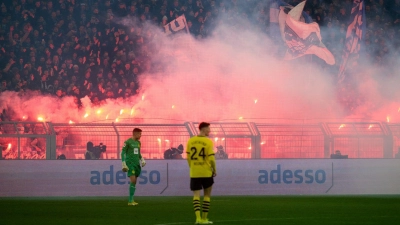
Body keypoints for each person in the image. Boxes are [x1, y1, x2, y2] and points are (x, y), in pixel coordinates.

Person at [186, 122, 217, 224]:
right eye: (208, 129)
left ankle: (197, 218)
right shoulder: (208, 142)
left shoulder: (191, 141)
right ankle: (204, 219)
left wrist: (192, 167)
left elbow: (188, 157)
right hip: (206, 172)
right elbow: (212, 159)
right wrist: (214, 169)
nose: (209, 130)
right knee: (207, 195)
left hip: (194, 172)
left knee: (196, 195)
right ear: (203, 129)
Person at [121, 128, 146, 206]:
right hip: (130, 163)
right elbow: (122, 153)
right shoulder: (127, 142)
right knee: (133, 180)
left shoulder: (138, 143)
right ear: (135, 133)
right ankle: (130, 200)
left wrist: (142, 159)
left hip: (136, 164)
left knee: (134, 181)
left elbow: (138, 153)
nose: (140, 135)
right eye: (139, 134)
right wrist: (123, 163)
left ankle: (131, 200)